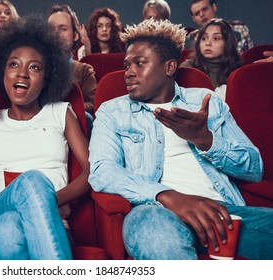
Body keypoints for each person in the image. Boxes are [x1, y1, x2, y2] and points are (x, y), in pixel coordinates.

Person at [88, 18, 273, 260]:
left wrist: (206, 140)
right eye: (127, 65)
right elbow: (102, 171)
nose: (129, 72)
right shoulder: (113, 111)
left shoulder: (205, 101)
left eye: (140, 63)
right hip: (156, 212)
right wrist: (167, 195)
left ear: (170, 67)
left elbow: (254, 169)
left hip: (222, 212)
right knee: (155, 231)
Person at [0, 15, 90, 259]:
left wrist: (43, 203)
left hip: (48, 225)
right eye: (14, 64)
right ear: (1, 72)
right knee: (33, 181)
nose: (23, 74)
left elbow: (94, 171)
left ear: (48, 77)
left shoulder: (60, 113)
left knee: (9, 229)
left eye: (35, 67)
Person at [47, 4, 96, 135]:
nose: (56, 34)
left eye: (62, 29)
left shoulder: (84, 70)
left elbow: (93, 105)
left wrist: (65, 108)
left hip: (73, 125)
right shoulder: (34, 68)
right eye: (51, 29)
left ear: (75, 35)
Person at [181, 18, 243, 100]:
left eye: (216, 38)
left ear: (227, 43)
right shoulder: (187, 69)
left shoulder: (238, 70)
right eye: (204, 38)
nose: (208, 43)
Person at [188, 0, 253, 53]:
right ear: (193, 19)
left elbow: (250, 56)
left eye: (205, 9)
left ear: (214, 8)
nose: (201, 14)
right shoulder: (192, 37)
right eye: (197, 13)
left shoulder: (239, 28)